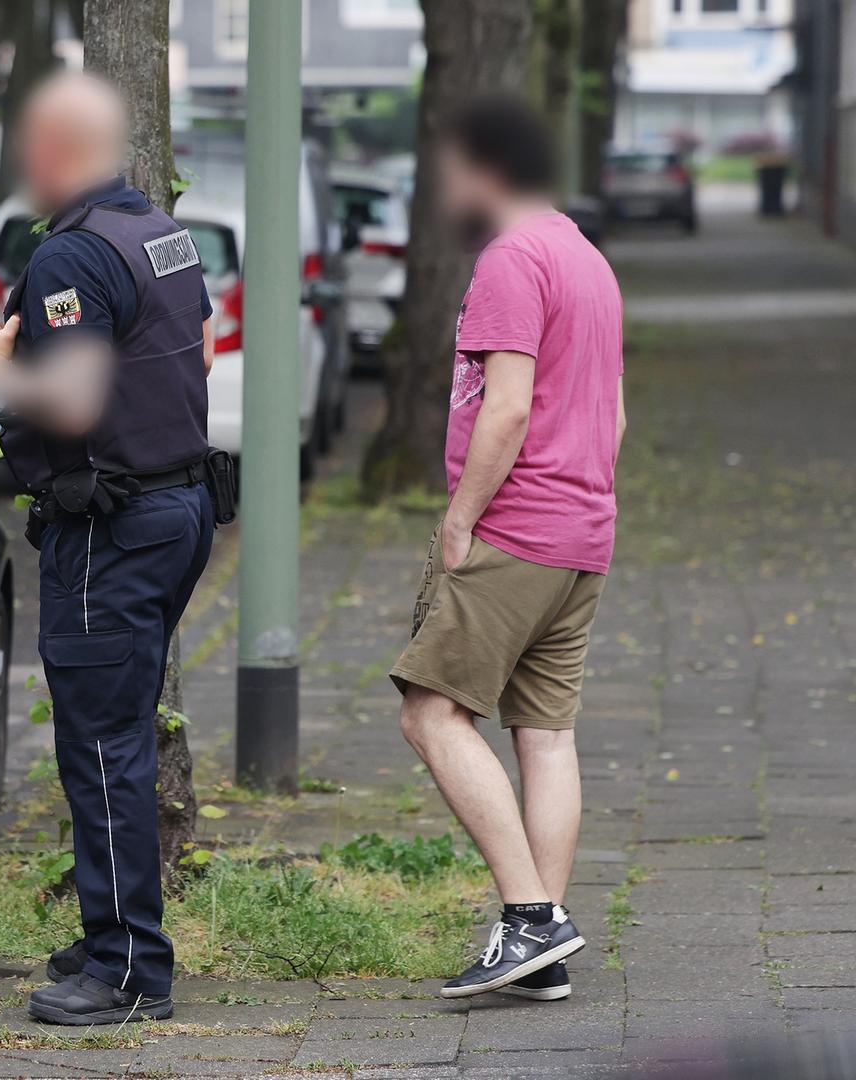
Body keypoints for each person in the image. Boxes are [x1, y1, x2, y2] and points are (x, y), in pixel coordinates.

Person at [0, 71, 219, 1026]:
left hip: (111, 529)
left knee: (104, 749)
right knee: (121, 732)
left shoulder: (73, 257)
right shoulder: (160, 233)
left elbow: (70, 402)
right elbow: (191, 356)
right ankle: (114, 932)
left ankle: (125, 970)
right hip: (178, 508)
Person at [389, 93, 626, 1001]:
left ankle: (529, 917)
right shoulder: (587, 260)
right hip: (582, 535)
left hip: (517, 528)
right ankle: (545, 952)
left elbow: (511, 404)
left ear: (485, 168)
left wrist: (462, 518)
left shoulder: (511, 259)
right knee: (546, 737)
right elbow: (612, 415)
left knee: (430, 714)